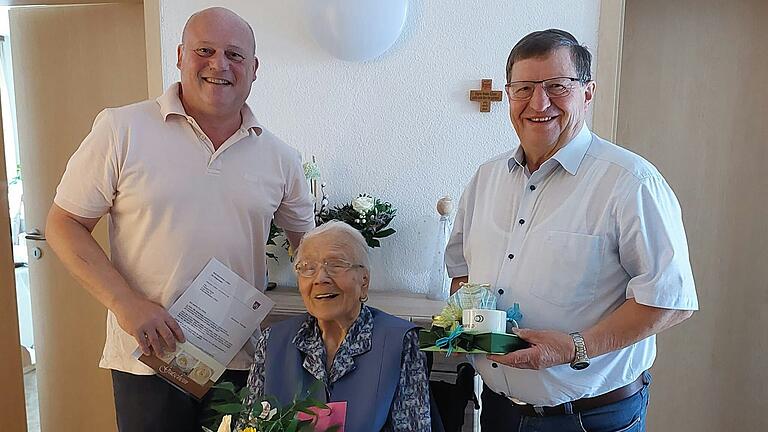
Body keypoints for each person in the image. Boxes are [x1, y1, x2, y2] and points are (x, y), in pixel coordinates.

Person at [45, 7, 315, 432]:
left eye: (235, 54)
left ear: (255, 68)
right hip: (148, 359)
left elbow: (309, 247)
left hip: (240, 361)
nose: (219, 64)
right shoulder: (122, 128)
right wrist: (126, 304)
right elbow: (63, 225)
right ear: (180, 56)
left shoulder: (281, 158)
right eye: (204, 50)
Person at [445, 29, 698, 431]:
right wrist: (470, 327)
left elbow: (669, 299)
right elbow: (460, 271)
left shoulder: (630, 181)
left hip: (588, 418)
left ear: (588, 92)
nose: (538, 102)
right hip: (498, 410)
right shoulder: (485, 178)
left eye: (557, 86)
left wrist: (574, 348)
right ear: (509, 95)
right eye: (524, 88)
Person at [239, 221, 432, 432]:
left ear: (364, 281)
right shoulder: (272, 342)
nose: (320, 278)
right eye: (307, 268)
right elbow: (249, 425)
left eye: (336, 264)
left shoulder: (399, 342)